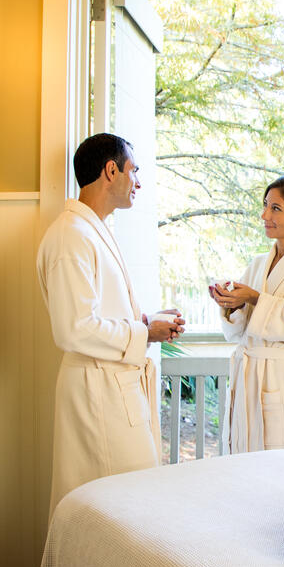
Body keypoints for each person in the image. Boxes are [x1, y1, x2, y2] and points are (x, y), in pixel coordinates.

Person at [36, 132, 185, 518]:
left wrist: (149, 320)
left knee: (132, 503)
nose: (138, 181)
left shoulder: (93, 230)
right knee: (121, 508)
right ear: (111, 170)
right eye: (134, 170)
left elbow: (99, 313)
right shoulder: (72, 236)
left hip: (113, 387)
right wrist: (144, 333)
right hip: (97, 393)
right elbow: (73, 328)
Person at [209, 175, 284, 453]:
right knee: (246, 457)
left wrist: (254, 297)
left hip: (282, 376)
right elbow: (240, 331)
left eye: (275, 208)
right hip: (249, 373)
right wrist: (232, 305)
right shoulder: (258, 263)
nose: (265, 215)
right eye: (265, 205)